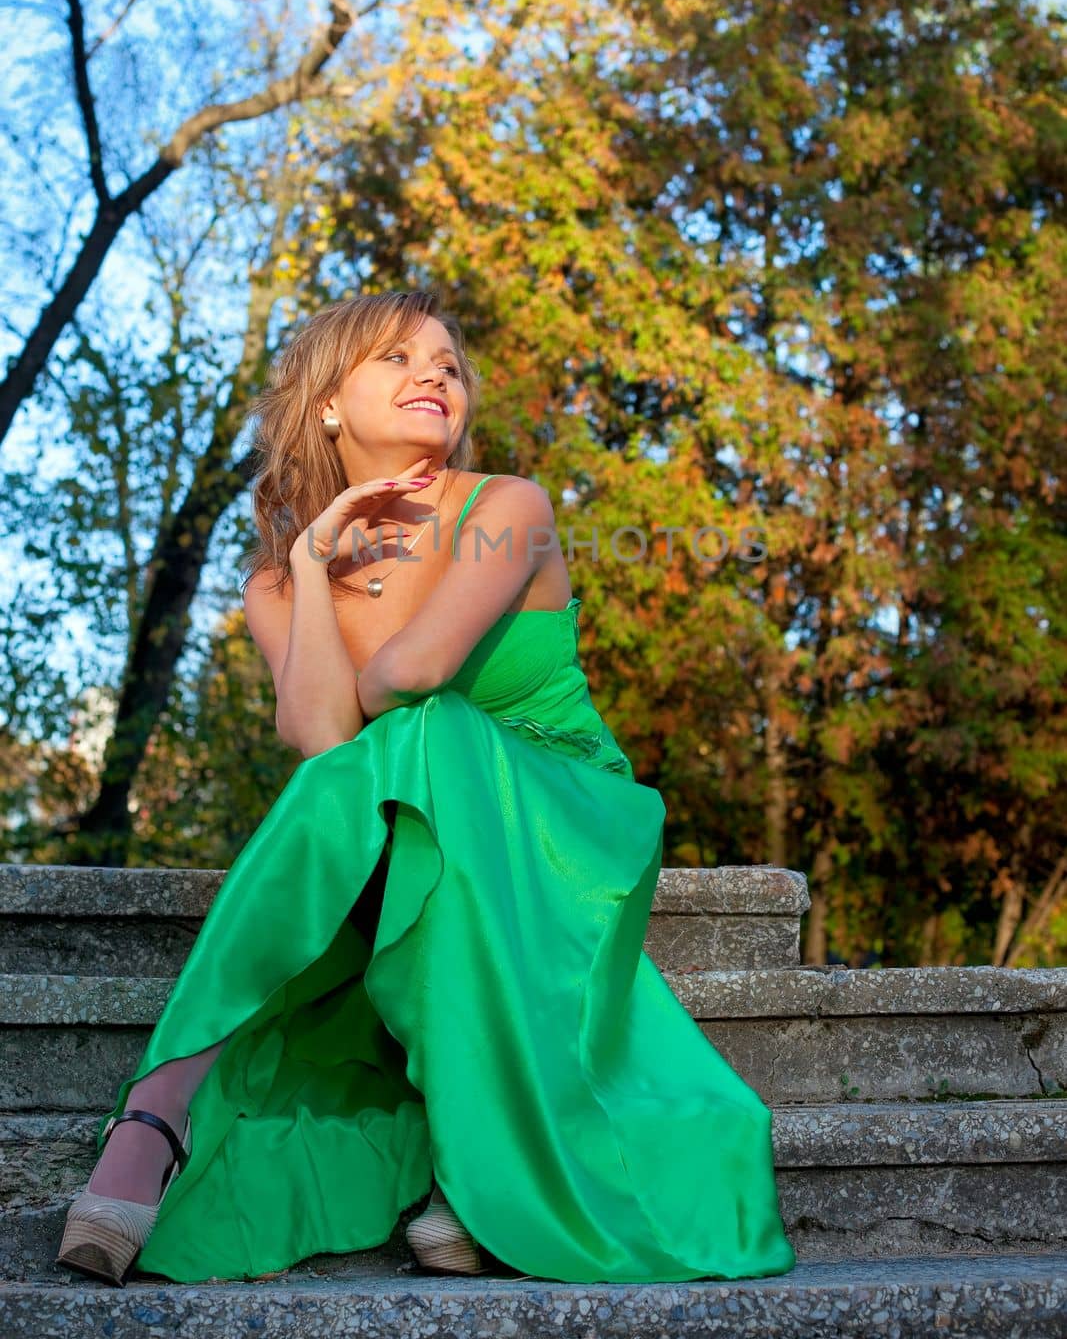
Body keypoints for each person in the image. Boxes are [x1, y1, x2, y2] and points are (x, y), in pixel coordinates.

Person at [56, 287, 797, 1287]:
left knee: (428, 729)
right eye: (396, 358)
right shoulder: (278, 584)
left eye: (445, 362)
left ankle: (184, 1115)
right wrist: (315, 565)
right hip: (399, 815)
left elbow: (410, 677)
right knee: (392, 755)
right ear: (326, 403)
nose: (433, 374)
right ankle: (166, 1114)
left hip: (556, 808)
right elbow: (323, 741)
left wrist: (361, 672)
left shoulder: (504, 510)